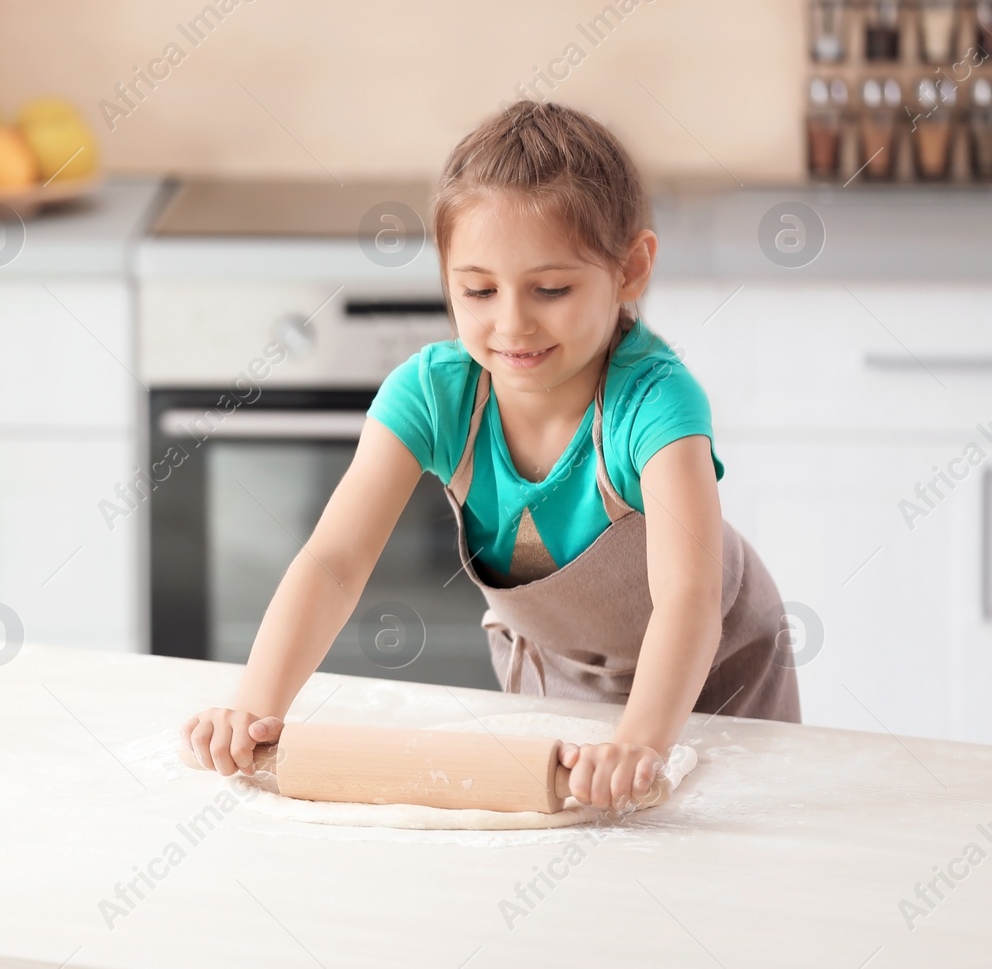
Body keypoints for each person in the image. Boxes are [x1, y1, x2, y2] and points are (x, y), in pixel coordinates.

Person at [183, 100, 800, 811]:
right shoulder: (434, 393)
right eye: (478, 289)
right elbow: (333, 561)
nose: (512, 323)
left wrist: (640, 740)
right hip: (556, 666)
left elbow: (687, 599)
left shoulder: (655, 403)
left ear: (631, 269)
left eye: (551, 289)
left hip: (719, 667)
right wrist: (255, 708)